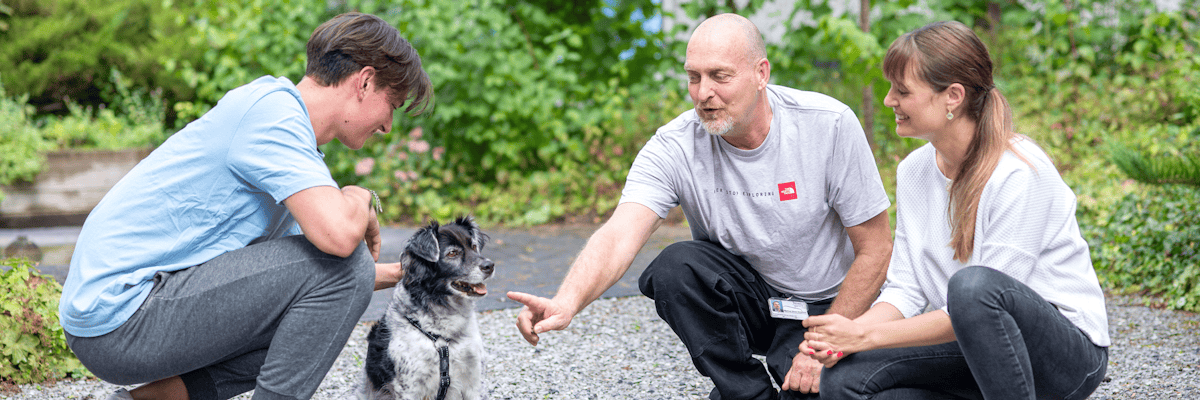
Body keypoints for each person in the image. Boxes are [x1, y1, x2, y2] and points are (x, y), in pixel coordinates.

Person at [506, 13, 893, 399]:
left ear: (761, 73)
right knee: (676, 267)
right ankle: (746, 392)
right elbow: (619, 234)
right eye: (694, 77)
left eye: (719, 76)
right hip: (752, 300)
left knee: (817, 390)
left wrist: (819, 346)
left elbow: (876, 248)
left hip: (829, 305)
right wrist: (566, 301)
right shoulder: (675, 145)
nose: (703, 92)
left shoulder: (827, 125)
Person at [58, 12, 433, 400]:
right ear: (366, 81)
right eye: (393, 104)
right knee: (345, 261)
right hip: (121, 316)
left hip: (116, 321)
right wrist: (359, 195)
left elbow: (305, 286)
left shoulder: (288, 136)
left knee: (321, 307)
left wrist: (412, 273)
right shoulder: (272, 116)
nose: (388, 125)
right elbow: (339, 245)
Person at [800, 21, 1110, 399]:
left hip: (1062, 357)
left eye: (902, 90)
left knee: (972, 286)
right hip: (972, 351)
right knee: (845, 377)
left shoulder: (1020, 171)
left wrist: (865, 334)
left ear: (953, 96)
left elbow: (982, 305)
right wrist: (845, 338)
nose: (888, 101)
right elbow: (906, 290)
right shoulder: (913, 171)